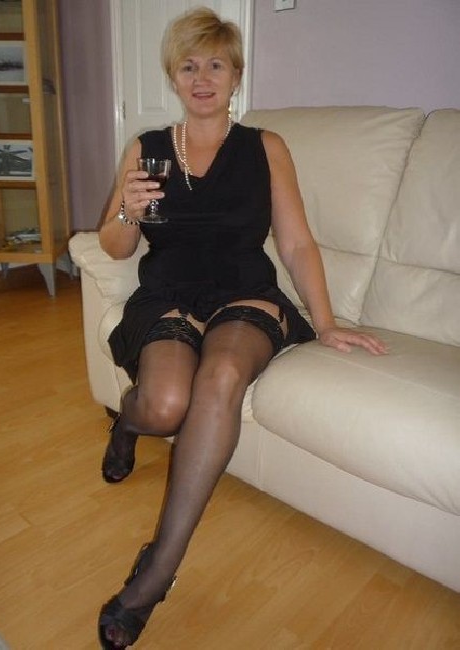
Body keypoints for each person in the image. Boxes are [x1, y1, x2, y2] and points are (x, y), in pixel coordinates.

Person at [97, 7, 387, 648]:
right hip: (169, 294)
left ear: (235, 76)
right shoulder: (146, 149)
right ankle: (129, 420)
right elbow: (115, 246)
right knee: (163, 405)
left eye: (216, 65)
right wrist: (126, 211)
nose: (202, 78)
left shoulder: (265, 147)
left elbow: (297, 242)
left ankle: (157, 570)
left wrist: (326, 322)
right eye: (189, 66)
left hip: (244, 296)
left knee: (223, 373)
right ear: (173, 76)